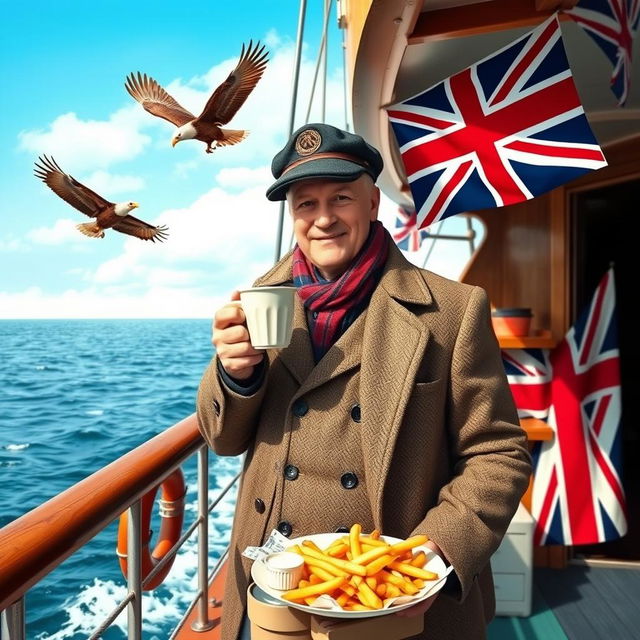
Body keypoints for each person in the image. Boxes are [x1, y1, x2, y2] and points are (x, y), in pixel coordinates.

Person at [197, 123, 532, 640]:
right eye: (305, 204)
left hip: (396, 602)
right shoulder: (258, 297)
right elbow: (223, 438)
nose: (323, 218)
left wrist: (431, 552)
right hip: (273, 589)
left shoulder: (452, 310)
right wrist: (236, 375)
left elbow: (498, 452)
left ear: (373, 202)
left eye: (341, 198)